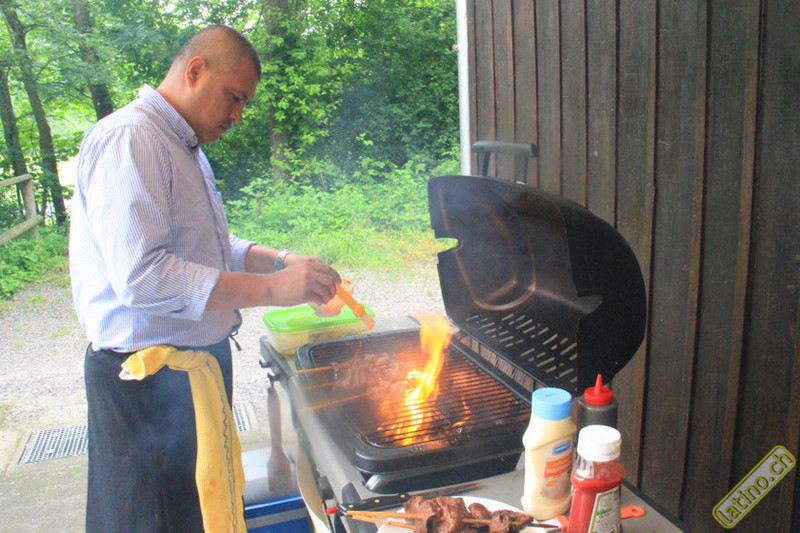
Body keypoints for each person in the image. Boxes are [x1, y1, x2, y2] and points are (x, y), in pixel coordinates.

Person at [69, 25, 341, 532]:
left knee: (199, 516)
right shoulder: (132, 138)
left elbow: (209, 247)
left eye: (244, 104)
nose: (238, 115)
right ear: (195, 71)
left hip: (187, 377)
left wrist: (281, 261)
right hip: (148, 387)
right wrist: (272, 291)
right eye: (234, 97)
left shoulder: (183, 145)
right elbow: (143, 277)